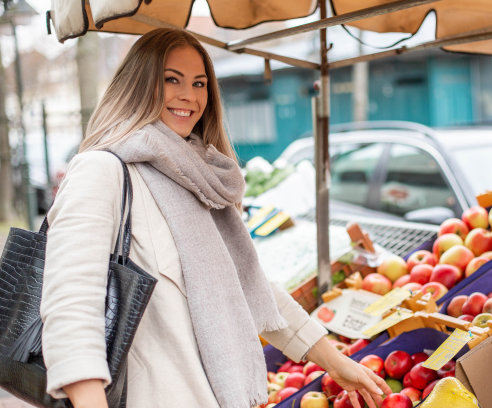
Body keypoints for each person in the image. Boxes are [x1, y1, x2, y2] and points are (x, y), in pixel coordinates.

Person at [40, 28, 392, 408]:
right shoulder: (101, 171)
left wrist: (334, 361)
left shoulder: (197, 178)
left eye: (199, 83)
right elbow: (71, 307)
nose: (188, 96)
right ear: (138, 86)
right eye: (171, 80)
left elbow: (248, 284)